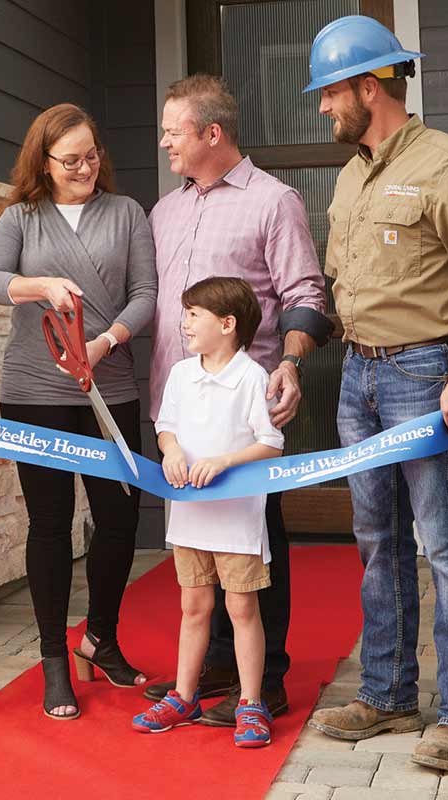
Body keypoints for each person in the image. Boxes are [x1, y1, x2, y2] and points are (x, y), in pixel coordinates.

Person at [298, 16, 448, 773]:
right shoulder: (353, 173)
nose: (324, 109)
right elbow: (344, 286)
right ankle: (389, 694)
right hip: (357, 374)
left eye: (331, 94)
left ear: (370, 86)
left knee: (445, 545)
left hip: (425, 375)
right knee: (376, 542)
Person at [140, 74, 331, 728]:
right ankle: (216, 663)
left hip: (241, 411)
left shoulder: (274, 201)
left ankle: (265, 680)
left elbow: (306, 290)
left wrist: (293, 363)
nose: (164, 141)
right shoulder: (164, 211)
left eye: (174, 130)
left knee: (252, 542)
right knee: (196, 539)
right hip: (179, 409)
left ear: (210, 133)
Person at [0, 103, 157, 720]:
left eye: (91, 155)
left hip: (110, 388)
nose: (85, 167)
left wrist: (106, 343)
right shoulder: (22, 217)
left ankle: (100, 637)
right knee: (50, 524)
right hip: (35, 390)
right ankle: (55, 659)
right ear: (44, 163)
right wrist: (41, 286)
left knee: (119, 518)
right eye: (70, 159)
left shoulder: (127, 212)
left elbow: (146, 295)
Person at [132, 276, 284, 748]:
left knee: (241, 608)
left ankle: (251, 702)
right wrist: (171, 451)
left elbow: (272, 443)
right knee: (193, 606)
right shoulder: (180, 374)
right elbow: (166, 426)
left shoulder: (252, 377)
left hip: (237, 520)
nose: (185, 322)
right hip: (190, 515)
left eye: (194, 314)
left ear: (228, 323)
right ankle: (183, 695)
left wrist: (224, 462)